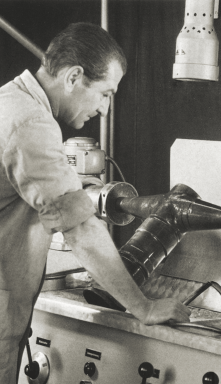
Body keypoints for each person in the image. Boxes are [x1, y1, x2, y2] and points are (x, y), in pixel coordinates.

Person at [0, 22, 191, 383]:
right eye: (105, 93)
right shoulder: (30, 124)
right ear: (74, 77)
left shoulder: (9, 102)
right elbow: (82, 230)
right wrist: (143, 306)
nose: (104, 109)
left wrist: (74, 186)